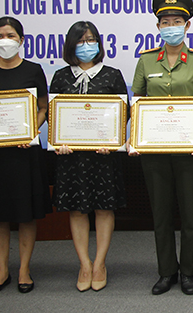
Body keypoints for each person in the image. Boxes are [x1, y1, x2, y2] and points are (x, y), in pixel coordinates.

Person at [130, 0, 193, 296]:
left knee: (191, 214)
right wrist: (137, 136)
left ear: (187, 25)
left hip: (190, 150)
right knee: (161, 213)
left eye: (176, 20)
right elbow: (137, 101)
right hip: (154, 150)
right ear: (158, 26)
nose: (171, 25)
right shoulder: (145, 61)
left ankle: (189, 271)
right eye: (165, 21)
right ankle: (166, 271)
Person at [0, 16, 52, 294]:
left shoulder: (33, 69)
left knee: (25, 213)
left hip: (23, 153)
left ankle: (24, 270)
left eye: (11, 35)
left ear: (21, 40)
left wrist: (30, 131)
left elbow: (44, 107)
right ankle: (2, 270)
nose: (5, 40)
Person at [49, 21, 128, 292]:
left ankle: (100, 263)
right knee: (76, 209)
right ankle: (84, 263)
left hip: (103, 155)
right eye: (81, 41)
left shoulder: (112, 75)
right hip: (71, 157)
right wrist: (57, 141)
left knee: (104, 208)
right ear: (71, 45)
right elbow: (54, 116)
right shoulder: (60, 76)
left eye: (91, 39)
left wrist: (114, 140)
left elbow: (122, 114)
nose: (87, 45)